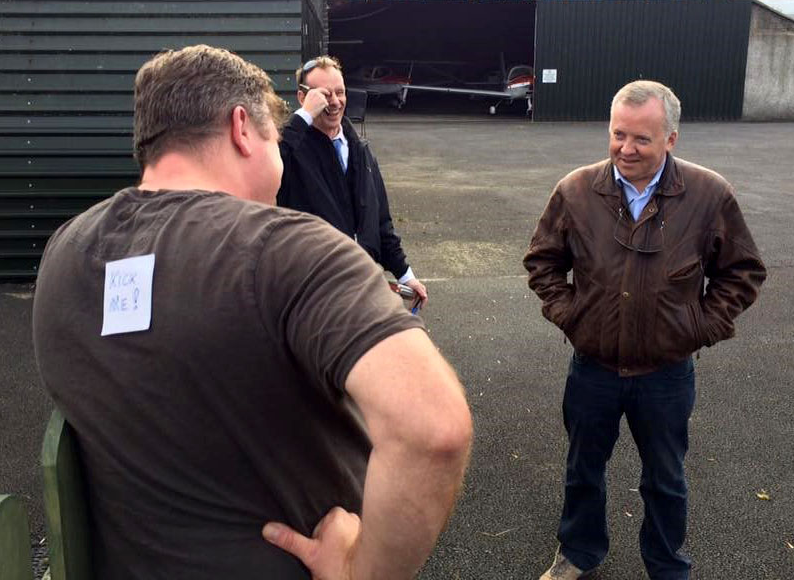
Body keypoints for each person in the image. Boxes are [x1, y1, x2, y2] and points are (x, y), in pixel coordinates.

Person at [32, 45, 472, 580]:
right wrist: (362, 570)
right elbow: (433, 429)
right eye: (272, 137)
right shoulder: (290, 250)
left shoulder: (65, 253)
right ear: (242, 128)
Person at [523, 80, 766, 580]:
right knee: (582, 469)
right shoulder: (575, 191)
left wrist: (700, 326)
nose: (625, 149)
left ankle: (667, 564)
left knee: (666, 477)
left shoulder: (709, 195)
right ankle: (579, 552)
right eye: (618, 134)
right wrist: (572, 316)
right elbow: (542, 262)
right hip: (593, 368)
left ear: (671, 139)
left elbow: (742, 272)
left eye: (641, 139)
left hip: (666, 373)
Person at [277, 55, 429, 308]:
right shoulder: (290, 152)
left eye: (340, 92)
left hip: (361, 287)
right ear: (303, 98)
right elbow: (267, 166)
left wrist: (405, 275)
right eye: (324, 94)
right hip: (313, 295)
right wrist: (302, 117)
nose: (335, 102)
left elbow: (381, 222)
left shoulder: (361, 151)